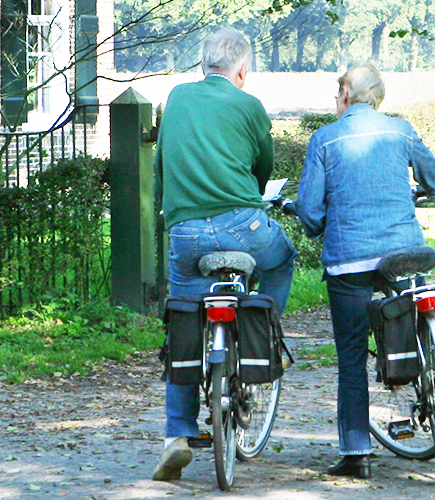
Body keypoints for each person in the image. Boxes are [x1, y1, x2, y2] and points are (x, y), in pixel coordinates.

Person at [151, 27, 298, 482]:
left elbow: (160, 167)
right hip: (243, 226)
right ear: (242, 70)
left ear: (202, 65)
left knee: (184, 322)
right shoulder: (249, 105)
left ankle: (176, 434)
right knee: (284, 258)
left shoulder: (175, 97)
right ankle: (264, 336)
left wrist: (169, 219)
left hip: (186, 234)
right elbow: (262, 166)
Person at [294, 63, 435, 479]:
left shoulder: (324, 139)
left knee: (350, 356)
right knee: (412, 324)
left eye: (336, 93)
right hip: (403, 253)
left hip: (349, 262)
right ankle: (433, 391)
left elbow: (310, 212)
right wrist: (425, 191)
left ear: (346, 94)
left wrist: (320, 224)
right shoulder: (401, 131)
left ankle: (356, 453)